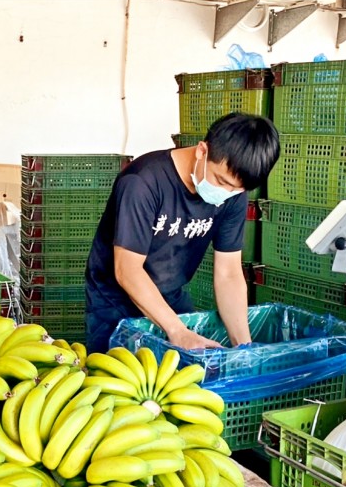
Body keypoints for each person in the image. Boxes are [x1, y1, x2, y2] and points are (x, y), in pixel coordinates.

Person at [85, 112, 280, 354]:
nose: (227, 192)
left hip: (172, 296)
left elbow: (228, 272)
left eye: (236, 189)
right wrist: (177, 330)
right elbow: (127, 270)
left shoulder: (233, 193)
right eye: (221, 181)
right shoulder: (142, 182)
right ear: (202, 151)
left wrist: (243, 347)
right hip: (115, 301)